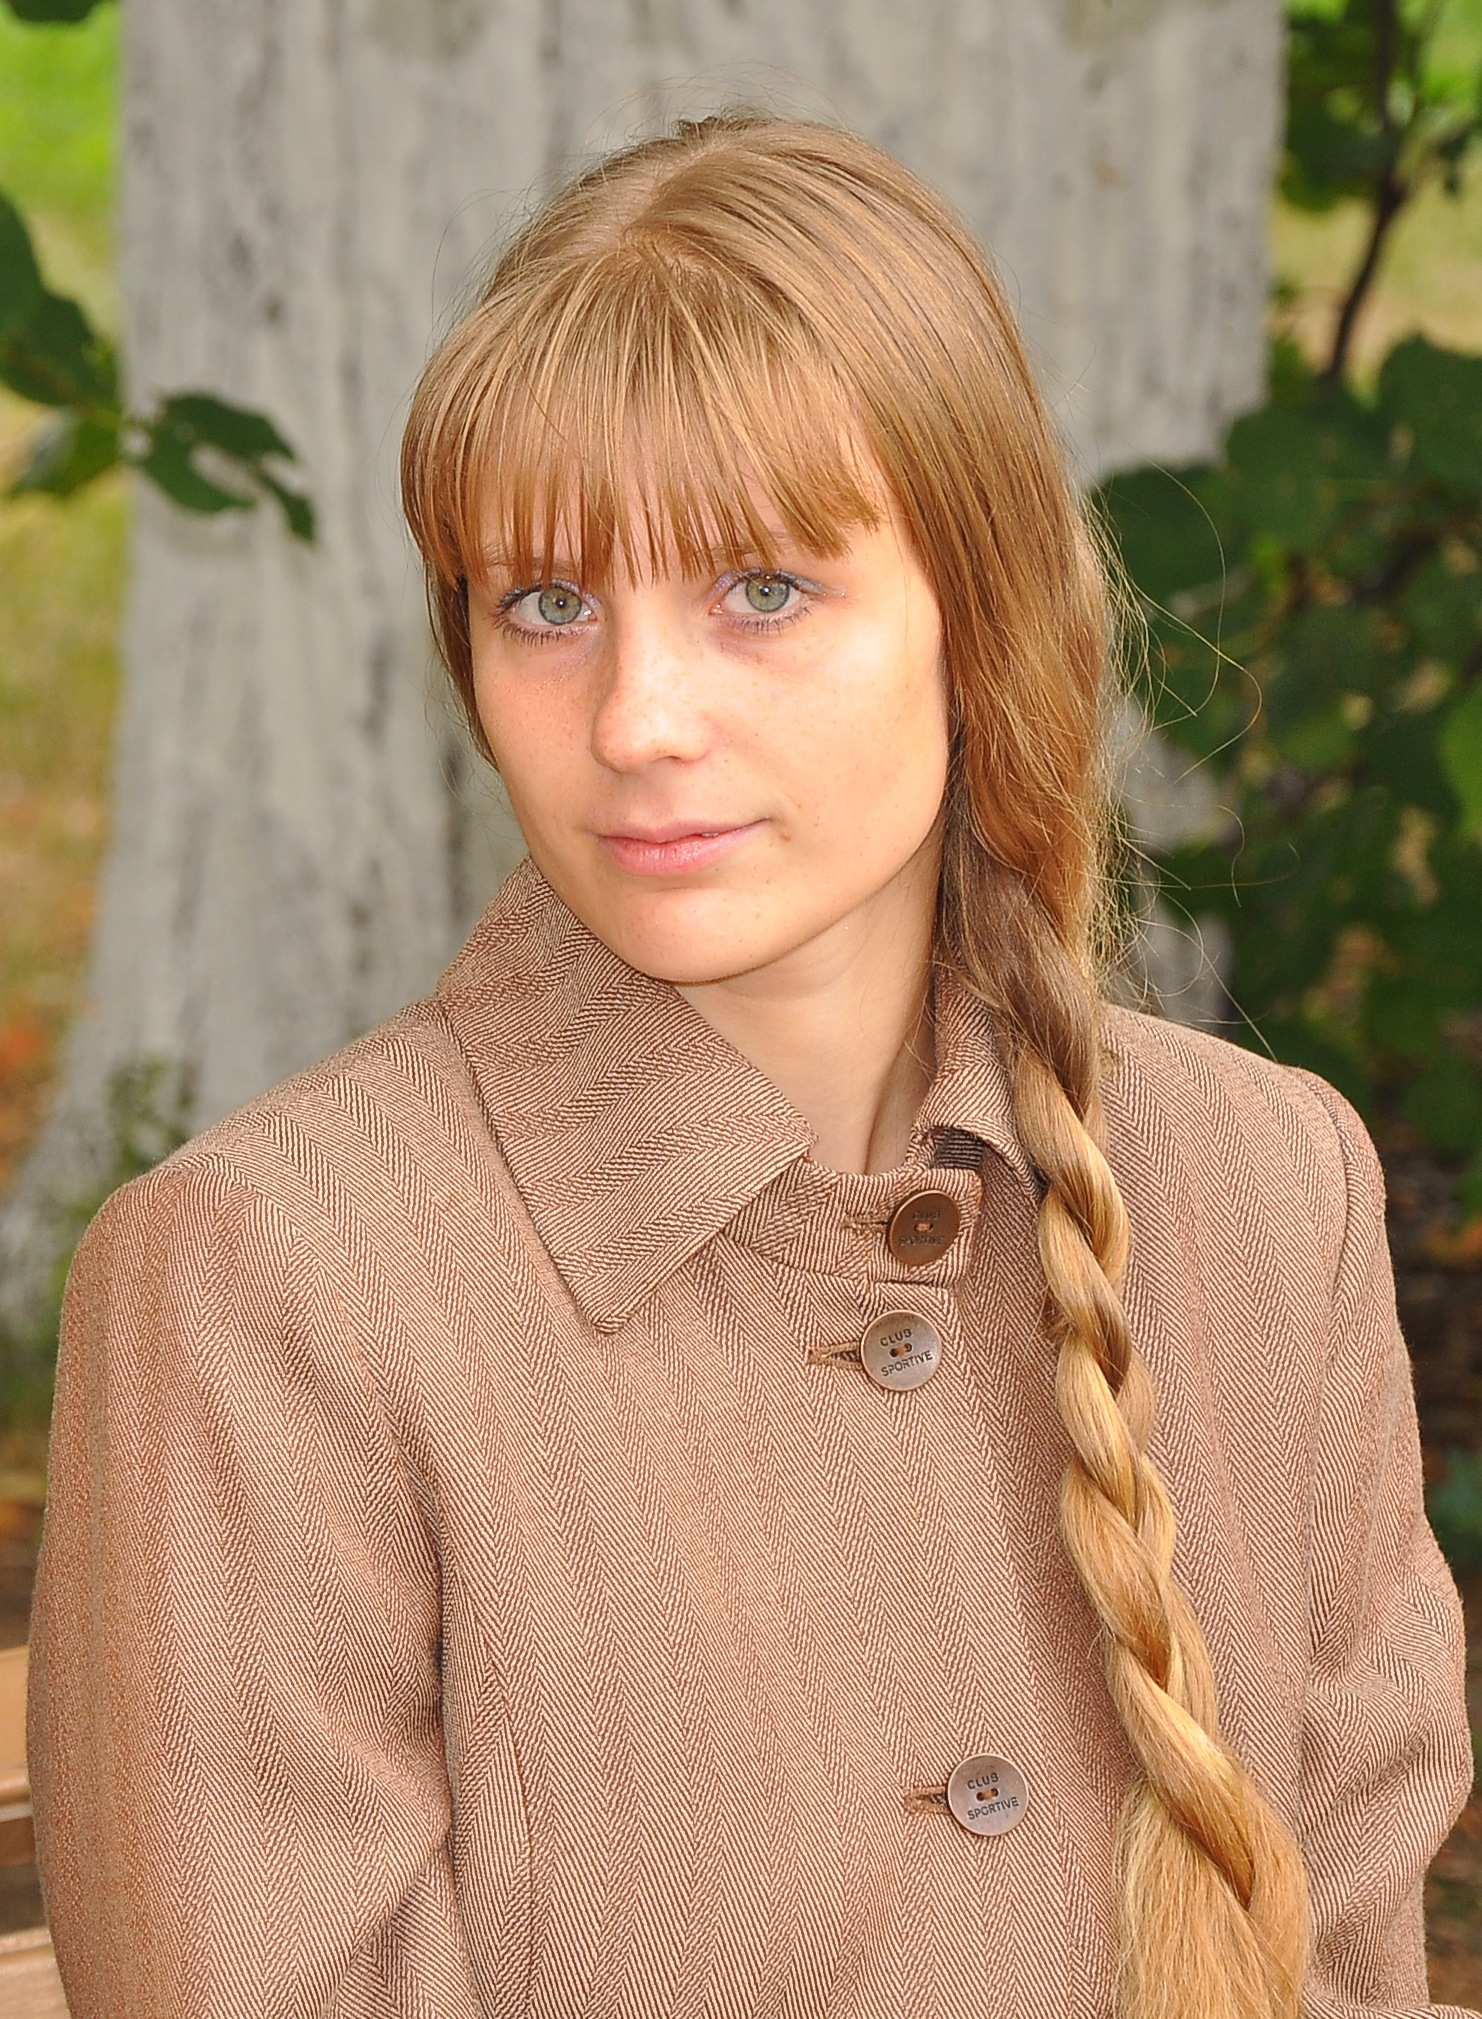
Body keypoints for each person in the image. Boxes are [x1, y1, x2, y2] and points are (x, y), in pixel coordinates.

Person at [26, 113, 1474, 2019]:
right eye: (547, 604)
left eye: (761, 591)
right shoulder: (266, 1282)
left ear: (981, 618)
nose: (636, 719)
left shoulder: (1271, 1187)